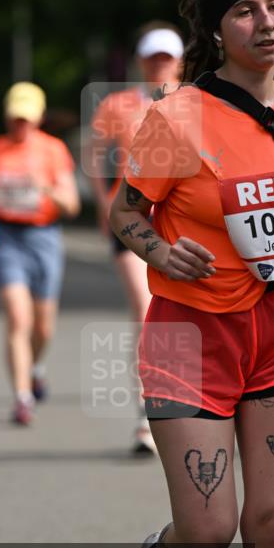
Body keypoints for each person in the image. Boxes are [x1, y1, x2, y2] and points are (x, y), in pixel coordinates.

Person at [111, 0, 274, 548]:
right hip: (191, 335)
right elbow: (123, 214)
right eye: (245, 11)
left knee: (272, 523)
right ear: (216, 29)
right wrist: (159, 253)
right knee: (207, 537)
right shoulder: (178, 118)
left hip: (271, 336)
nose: (265, 22)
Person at [89, 23, 184, 456]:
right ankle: (148, 421)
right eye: (152, 58)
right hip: (132, 220)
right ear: (140, 62)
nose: (160, 65)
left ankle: (196, 411)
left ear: (180, 59)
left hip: (182, 225)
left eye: (167, 57)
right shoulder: (117, 104)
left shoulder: (198, 101)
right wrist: (99, 204)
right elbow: (95, 155)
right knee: (148, 313)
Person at [0, 82, 80, 425]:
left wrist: (46, 190)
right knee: (17, 317)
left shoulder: (53, 151)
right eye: (14, 118)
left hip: (44, 237)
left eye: (26, 119)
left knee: (43, 327)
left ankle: (35, 367)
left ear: (39, 118)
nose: (19, 125)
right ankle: (22, 397)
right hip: (7, 236)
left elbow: (70, 204)